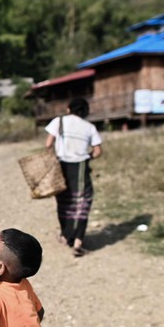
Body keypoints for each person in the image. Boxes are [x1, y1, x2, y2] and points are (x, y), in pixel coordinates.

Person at [45, 97, 103, 257]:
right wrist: (88, 157)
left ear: (69, 108)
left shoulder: (59, 121)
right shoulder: (89, 127)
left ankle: (65, 236)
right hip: (81, 168)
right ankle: (78, 242)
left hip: (62, 167)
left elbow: (48, 144)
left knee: (64, 203)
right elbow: (98, 151)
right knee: (82, 204)